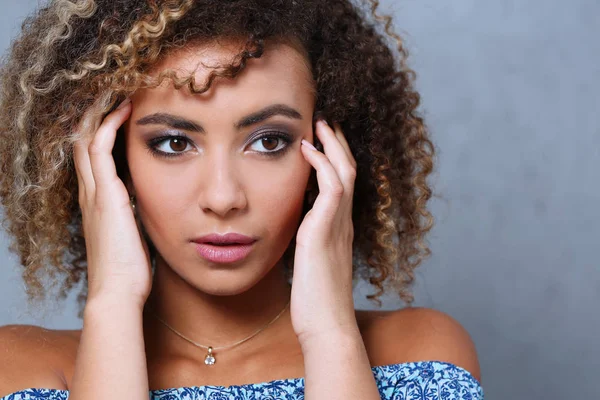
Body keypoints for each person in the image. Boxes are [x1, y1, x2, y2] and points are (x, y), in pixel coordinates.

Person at [0, 0, 483, 399]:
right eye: (173, 143)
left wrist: (330, 333)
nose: (223, 197)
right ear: (111, 161)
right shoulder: (22, 367)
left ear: (331, 153)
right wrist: (113, 302)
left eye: (269, 141)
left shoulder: (421, 353)